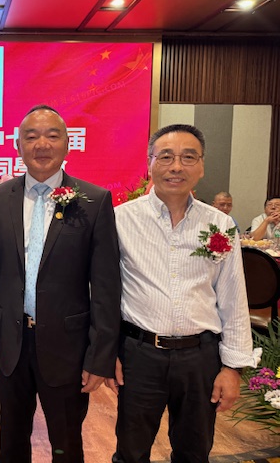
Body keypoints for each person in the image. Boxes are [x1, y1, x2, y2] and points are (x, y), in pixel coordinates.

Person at [0, 105, 122, 463]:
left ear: (68, 144)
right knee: (11, 443)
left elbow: (105, 286)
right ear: (18, 145)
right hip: (11, 344)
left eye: (52, 135)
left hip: (68, 348)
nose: (41, 144)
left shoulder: (94, 200)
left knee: (66, 444)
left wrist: (100, 357)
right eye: (31, 136)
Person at [108, 124, 256, 463]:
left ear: (201, 166)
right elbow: (102, 292)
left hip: (200, 358)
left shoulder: (220, 225)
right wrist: (105, 353)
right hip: (139, 354)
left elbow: (233, 298)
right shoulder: (120, 220)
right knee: (130, 452)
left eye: (188, 157)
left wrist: (233, 368)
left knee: (194, 452)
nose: (176, 167)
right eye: (166, 157)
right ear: (150, 163)